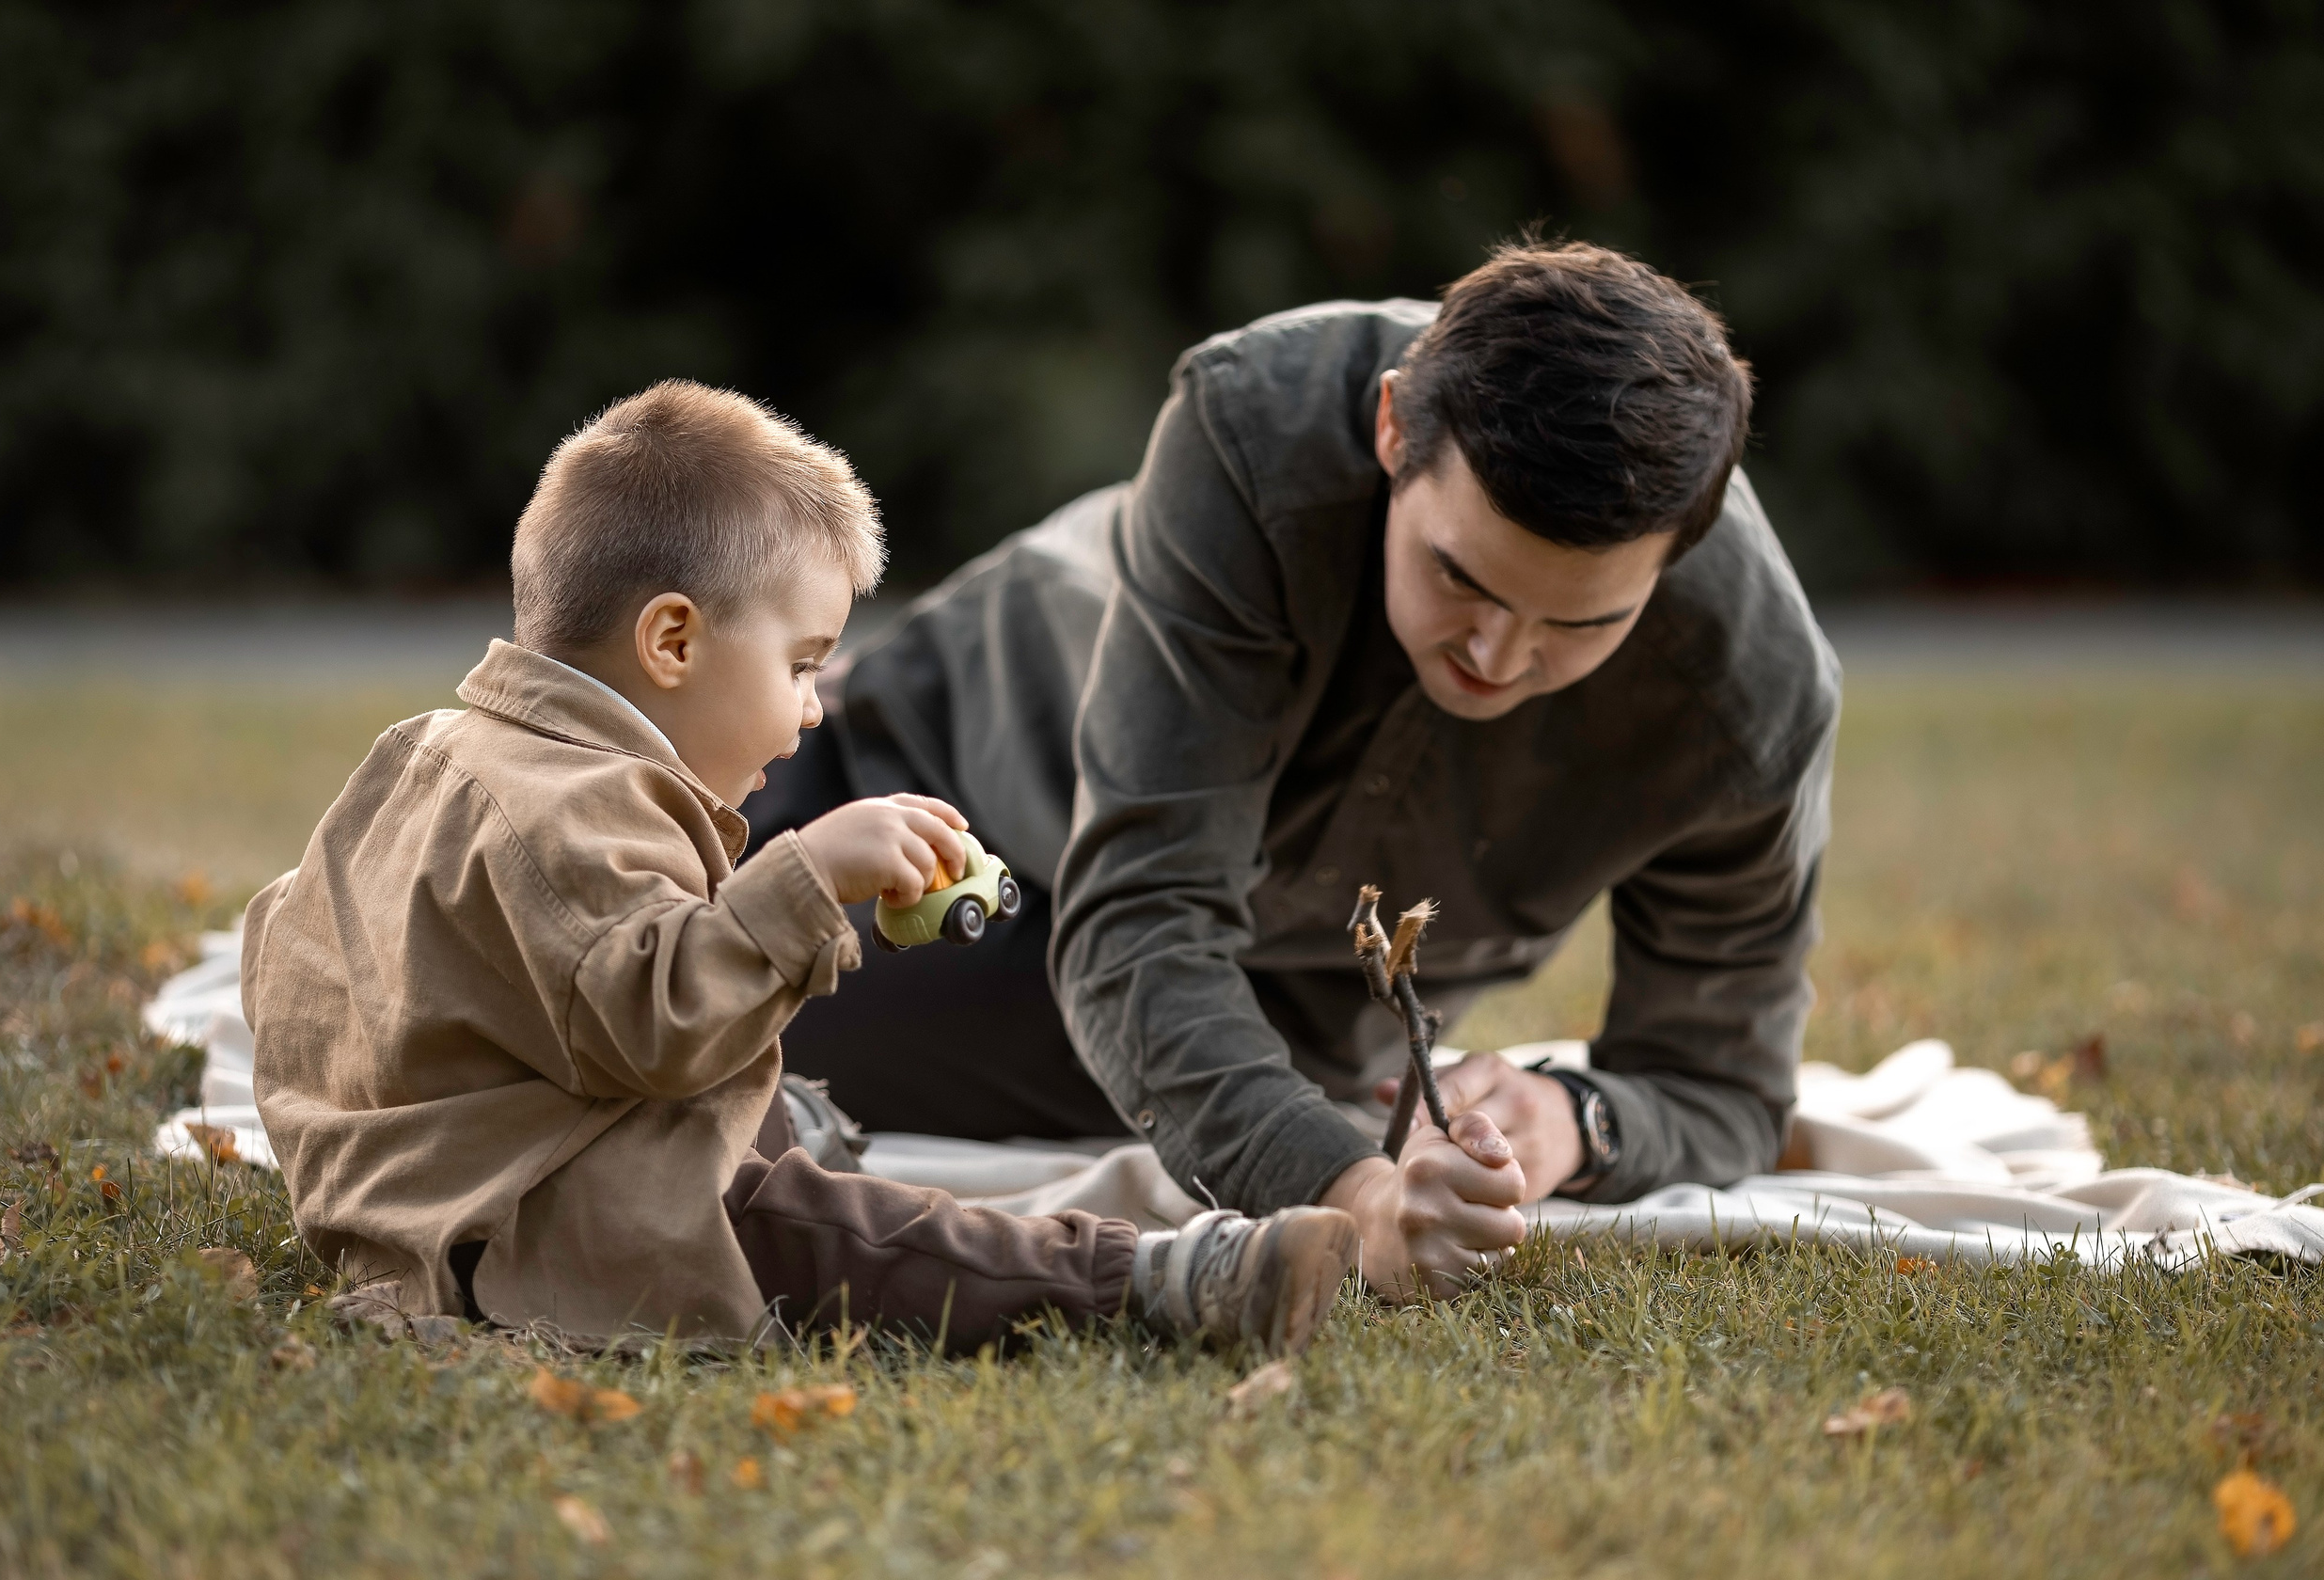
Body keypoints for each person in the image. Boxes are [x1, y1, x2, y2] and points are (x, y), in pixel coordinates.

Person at [745, 241, 1841, 1297]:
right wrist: (1350, 1192)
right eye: (1460, 575)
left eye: (1579, 622)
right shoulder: (1251, 423)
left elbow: (1721, 1081)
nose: (1497, 656)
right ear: (1390, 423)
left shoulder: (1750, 700)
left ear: (1677, 555)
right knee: (635, 984)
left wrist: (1576, 1119)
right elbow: (1145, 917)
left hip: (1258, 1009)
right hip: (922, 782)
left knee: (750, 1061)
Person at [237, 380, 1364, 1353]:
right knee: (839, 1237)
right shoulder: (571, 809)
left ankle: (799, 1139)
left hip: (441, 1173)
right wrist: (809, 875)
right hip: (521, 1218)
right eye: (801, 664)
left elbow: (283, 938)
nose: (814, 708)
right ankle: (1161, 1280)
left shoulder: (436, 749)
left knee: (770, 1115)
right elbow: (657, 1023)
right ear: (672, 642)